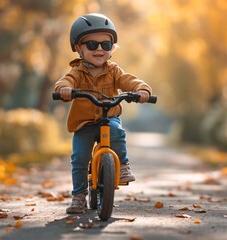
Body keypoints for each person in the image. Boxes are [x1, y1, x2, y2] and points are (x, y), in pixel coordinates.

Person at [54, 13, 153, 214]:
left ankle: (123, 165)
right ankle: (79, 196)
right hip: (84, 123)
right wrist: (63, 90)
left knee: (117, 132)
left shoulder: (114, 70)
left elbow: (129, 81)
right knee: (80, 157)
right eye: (91, 45)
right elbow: (65, 82)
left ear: (111, 49)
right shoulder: (77, 72)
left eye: (105, 45)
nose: (99, 49)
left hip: (109, 117)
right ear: (78, 48)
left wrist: (142, 90)